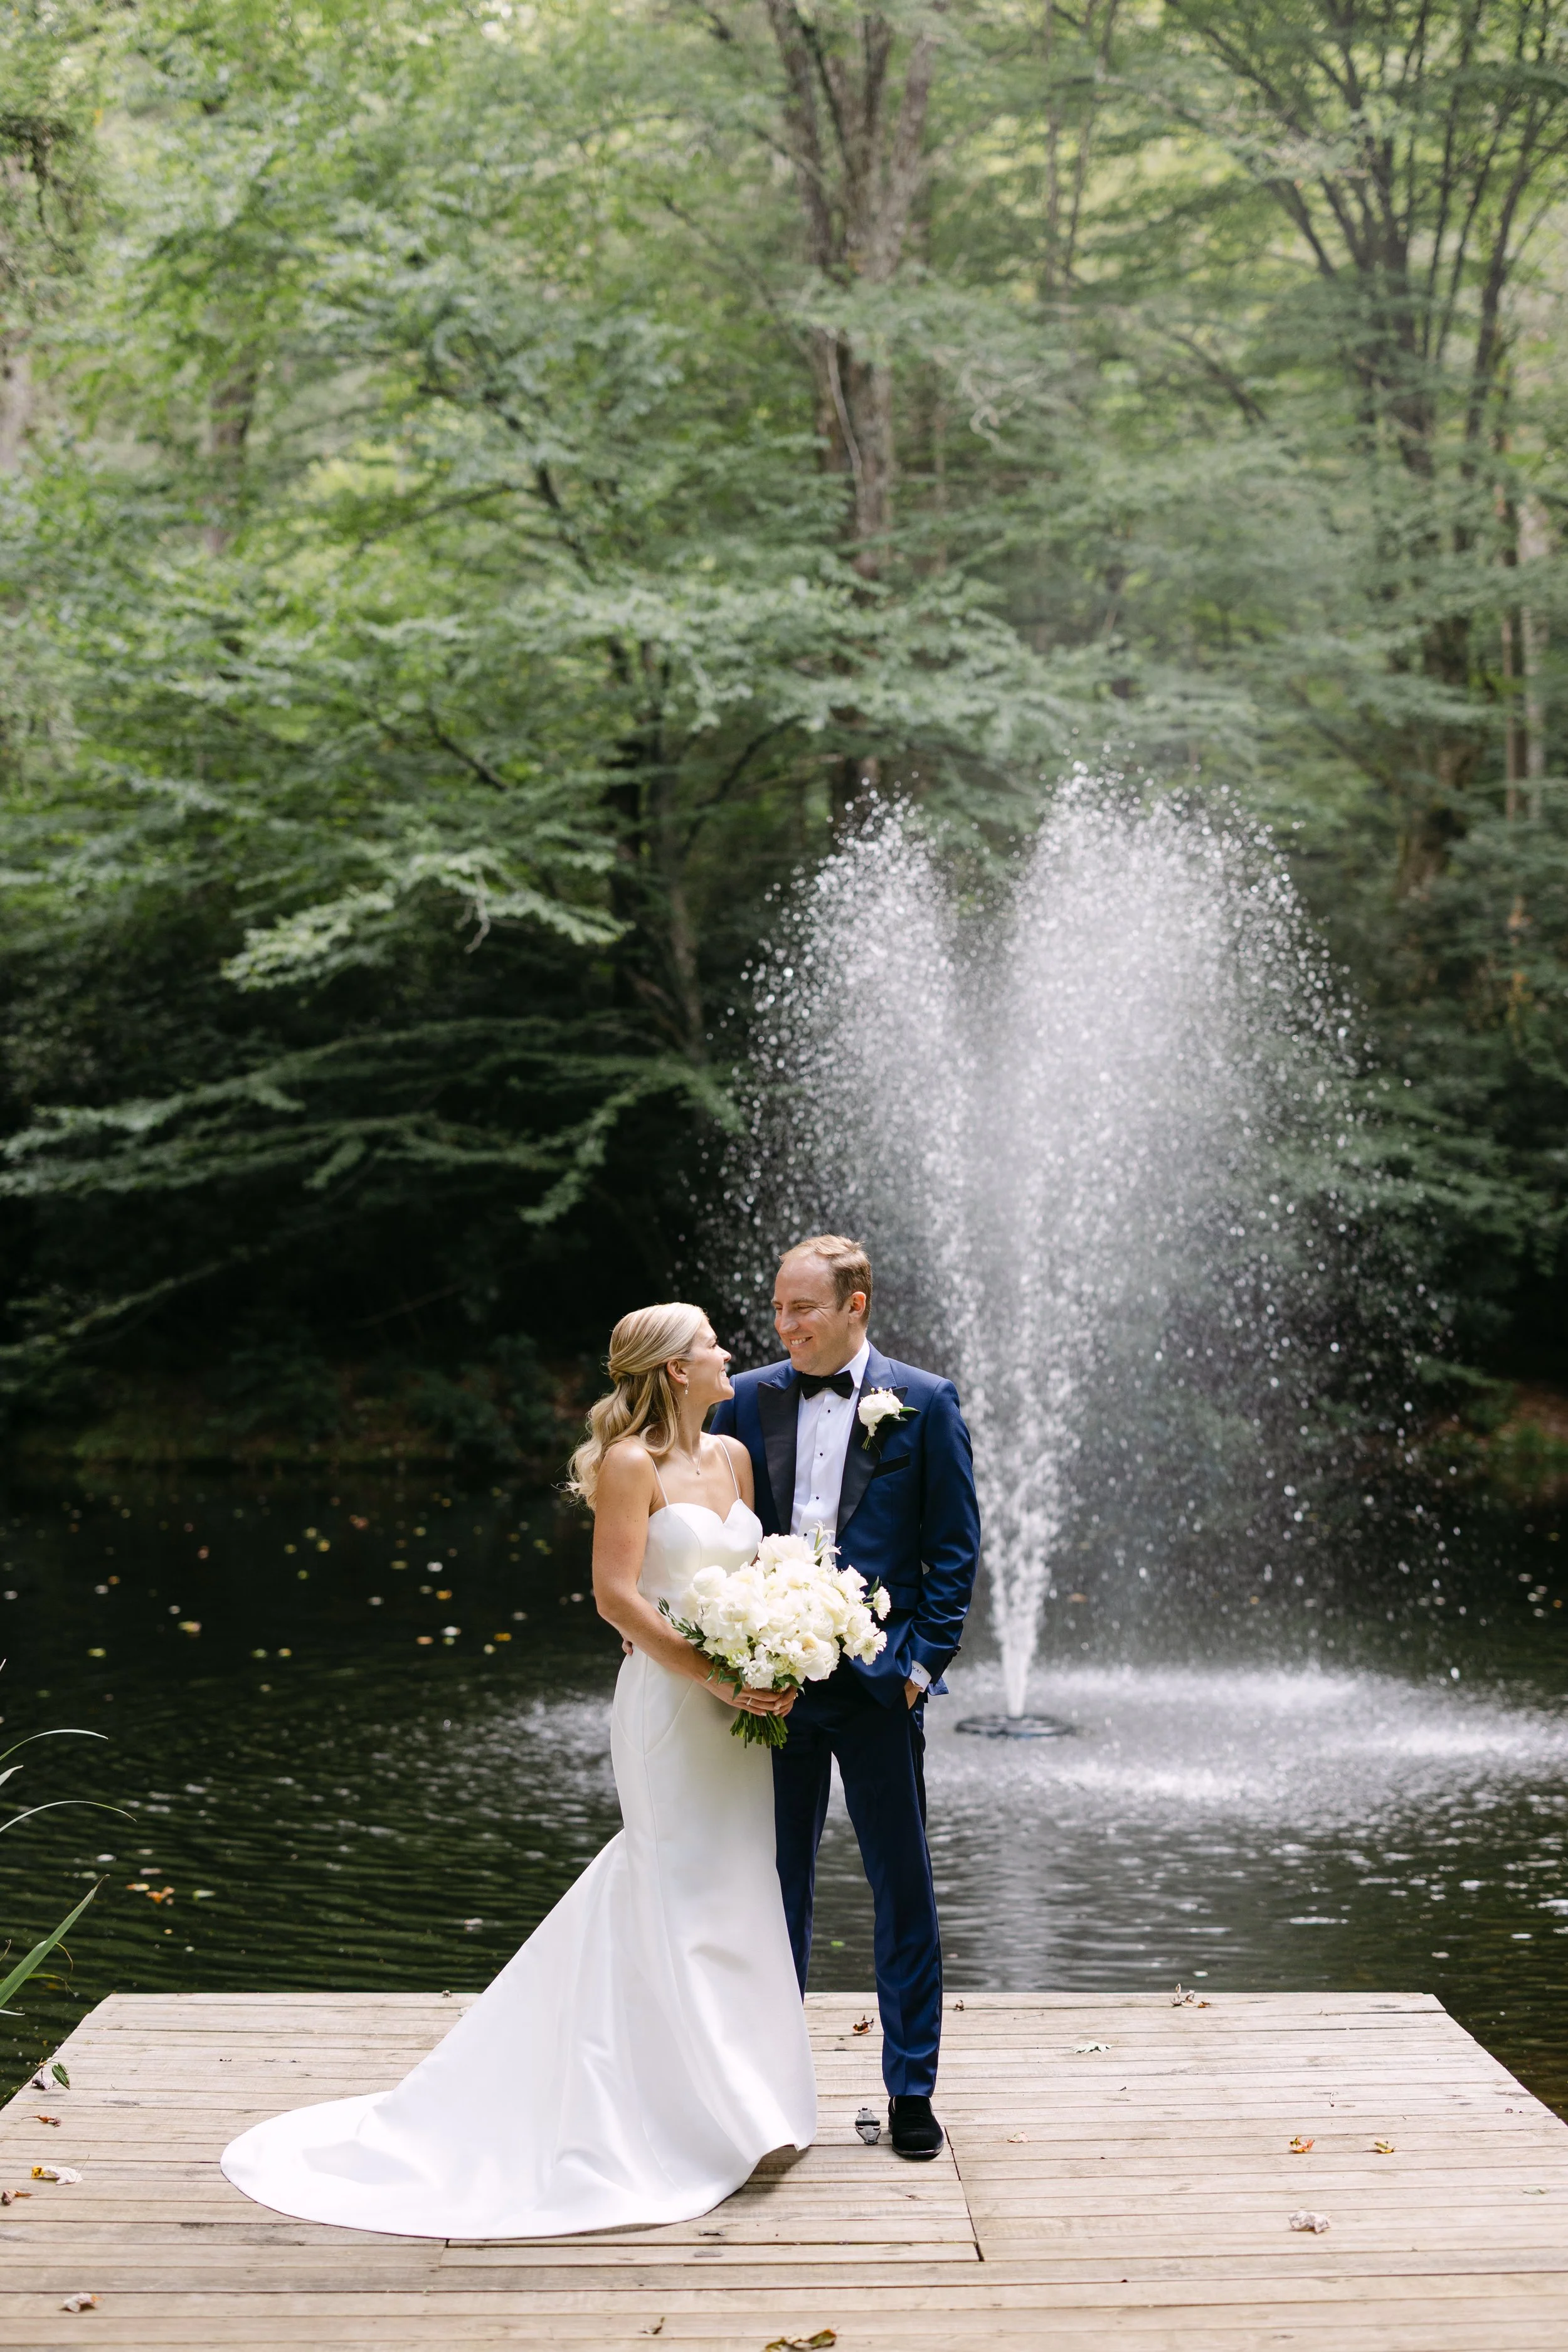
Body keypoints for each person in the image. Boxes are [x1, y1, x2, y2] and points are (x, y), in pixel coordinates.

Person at [220, 1302, 816, 2239]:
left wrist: (779, 1654)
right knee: (672, 1882)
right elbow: (615, 1595)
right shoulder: (632, 1465)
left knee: (738, 1886)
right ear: (671, 1369)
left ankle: (745, 2101)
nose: (726, 1351)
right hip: (671, 1709)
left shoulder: (734, 1458)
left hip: (737, 1713)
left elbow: (758, 1576)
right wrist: (716, 1674)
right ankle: (678, 2111)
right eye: (708, 1342)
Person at [711, 1234, 980, 2161]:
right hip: (771, 1689)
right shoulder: (743, 1398)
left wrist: (918, 1668)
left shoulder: (926, 1402)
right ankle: (764, 2093)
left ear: (856, 1306)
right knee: (769, 1889)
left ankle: (912, 2092)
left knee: (901, 1887)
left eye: (803, 1309)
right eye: (778, 1308)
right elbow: (715, 1534)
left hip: (877, 1688)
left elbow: (953, 1550)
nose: (784, 1325)